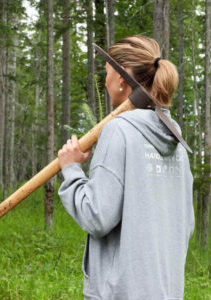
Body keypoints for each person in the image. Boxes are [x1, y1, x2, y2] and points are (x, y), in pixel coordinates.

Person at [58, 35, 195, 300]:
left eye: (107, 73)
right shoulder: (177, 141)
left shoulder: (118, 130)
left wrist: (72, 169)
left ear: (122, 80)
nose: (105, 81)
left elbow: (96, 216)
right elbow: (186, 225)